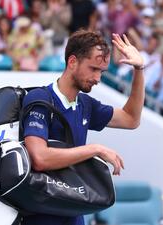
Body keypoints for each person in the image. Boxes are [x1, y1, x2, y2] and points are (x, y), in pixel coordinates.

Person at [21, 29, 145, 225]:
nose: (98, 78)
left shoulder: (86, 104)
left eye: (101, 72)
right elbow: (40, 158)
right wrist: (94, 149)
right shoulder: (39, 99)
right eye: (93, 69)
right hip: (40, 215)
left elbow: (131, 119)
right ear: (72, 62)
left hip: (74, 211)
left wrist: (139, 70)